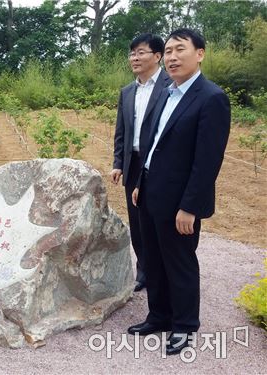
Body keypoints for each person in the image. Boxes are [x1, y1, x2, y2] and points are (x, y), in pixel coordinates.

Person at [128, 29, 231, 355]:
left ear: (199, 53)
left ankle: (185, 326)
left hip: (180, 201)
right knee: (153, 258)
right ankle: (158, 315)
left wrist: (190, 207)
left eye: (179, 50)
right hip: (149, 191)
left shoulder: (211, 97)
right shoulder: (165, 93)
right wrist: (140, 185)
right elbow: (152, 144)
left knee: (179, 261)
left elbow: (207, 161)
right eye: (169, 51)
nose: (172, 57)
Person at [110, 34, 172, 292]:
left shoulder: (171, 86)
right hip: (133, 163)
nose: (134, 58)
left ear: (157, 56)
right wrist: (118, 162)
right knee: (137, 221)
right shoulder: (127, 91)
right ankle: (144, 271)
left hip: (159, 165)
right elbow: (121, 131)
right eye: (132, 53)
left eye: (141, 52)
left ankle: (165, 271)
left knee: (159, 219)